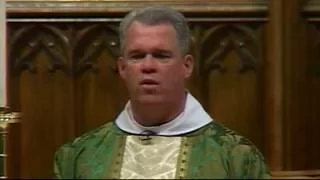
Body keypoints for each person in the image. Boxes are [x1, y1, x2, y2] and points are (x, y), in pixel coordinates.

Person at [54, 6, 271, 179]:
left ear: (187, 66)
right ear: (122, 68)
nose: (148, 66)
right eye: (137, 56)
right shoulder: (78, 156)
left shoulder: (235, 157)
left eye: (161, 55)